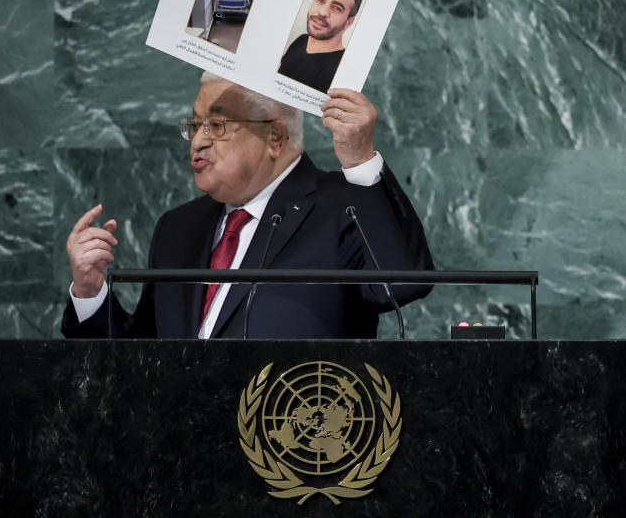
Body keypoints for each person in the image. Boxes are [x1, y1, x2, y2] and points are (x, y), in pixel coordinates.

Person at [62, 72, 432, 339]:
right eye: (194, 125)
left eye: (218, 125)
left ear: (274, 137)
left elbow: (398, 283)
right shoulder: (178, 228)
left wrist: (360, 158)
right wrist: (90, 292)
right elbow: (141, 358)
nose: (197, 143)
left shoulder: (341, 204)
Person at [278, 0, 363, 93]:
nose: (323, 12)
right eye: (320, 0)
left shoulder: (340, 72)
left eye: (337, 8)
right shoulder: (302, 40)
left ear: (348, 22)